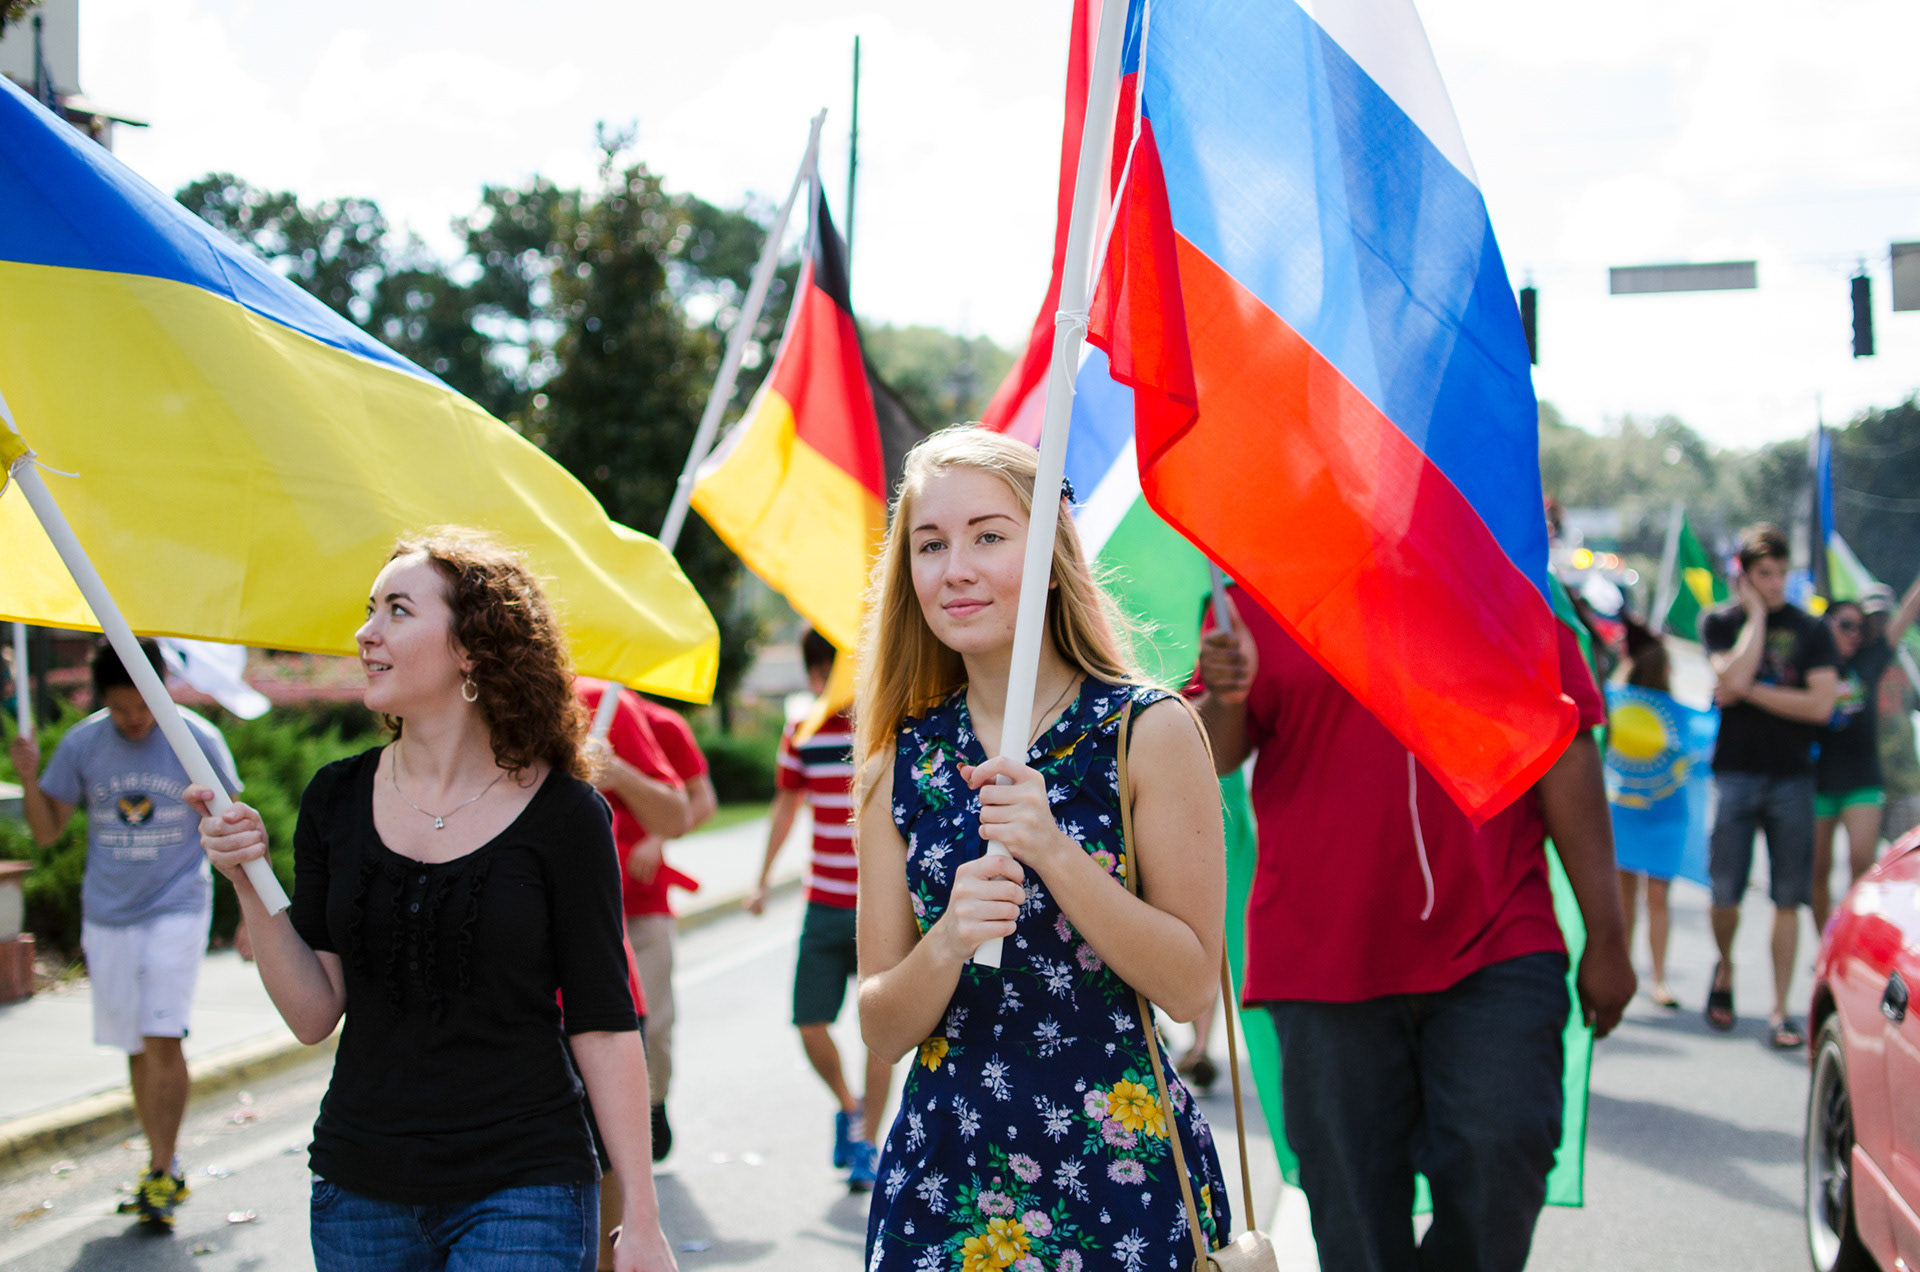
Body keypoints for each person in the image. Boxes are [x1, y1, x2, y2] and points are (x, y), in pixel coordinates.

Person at [191, 529, 676, 1272]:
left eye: (396, 611)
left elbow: (605, 1023)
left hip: (527, 1187)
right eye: (369, 610)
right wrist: (249, 884)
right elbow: (314, 1013)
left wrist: (640, 1215)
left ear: (471, 649)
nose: (365, 632)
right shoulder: (335, 798)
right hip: (360, 1192)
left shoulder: (566, 815)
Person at [856, 427, 1234, 1272]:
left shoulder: (1149, 731)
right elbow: (882, 1025)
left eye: (989, 536)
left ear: (1052, 552)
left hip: (1119, 1183)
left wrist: (1056, 855)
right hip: (944, 1184)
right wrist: (950, 937)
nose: (954, 567)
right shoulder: (899, 760)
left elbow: (1188, 984)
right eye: (930, 544)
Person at [1191, 580, 1633, 1272]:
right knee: (1354, 1212)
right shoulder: (1256, 579)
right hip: (1323, 956)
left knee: (1504, 1150)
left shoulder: (1503, 569)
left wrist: (1608, 937)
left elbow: (1566, 746)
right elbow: (1212, 752)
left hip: (1498, 938)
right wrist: (1225, 695)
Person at [10, 638, 242, 1231]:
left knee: (163, 1034)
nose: (134, 720)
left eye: (143, 707)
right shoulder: (85, 742)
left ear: (162, 689)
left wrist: (248, 912)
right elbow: (45, 834)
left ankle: (163, 1168)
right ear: (100, 701)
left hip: (177, 904)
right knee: (137, 1044)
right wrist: (29, 777)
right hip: (108, 914)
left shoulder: (196, 740)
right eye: (120, 711)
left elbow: (233, 826)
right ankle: (159, 1164)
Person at [745, 627, 890, 1191]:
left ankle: (866, 1143)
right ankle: (849, 1105)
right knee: (809, 1021)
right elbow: (786, 807)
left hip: (881, 907)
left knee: (880, 1031)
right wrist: (759, 880)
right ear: (814, 677)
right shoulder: (800, 730)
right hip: (824, 903)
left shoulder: (884, 725)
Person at [1701, 523, 1840, 1048]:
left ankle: (1782, 1008)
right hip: (1734, 773)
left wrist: (1747, 691)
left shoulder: (1812, 629)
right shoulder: (1720, 620)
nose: (1777, 583)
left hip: (1791, 778)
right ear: (1744, 574)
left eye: (1782, 573)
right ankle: (1724, 969)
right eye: (1765, 574)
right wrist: (1756, 618)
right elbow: (1726, 674)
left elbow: (1821, 705)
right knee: (1724, 892)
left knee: (1789, 897)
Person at [574, 677, 690, 1269]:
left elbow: (685, 808)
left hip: (613, 951)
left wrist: (616, 776)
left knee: (606, 1166)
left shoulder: (604, 703)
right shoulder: (457, 705)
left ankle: (650, 1111)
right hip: (501, 986)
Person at [613, 691, 715, 1163]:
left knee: (652, 1022)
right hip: (584, 904)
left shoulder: (664, 724)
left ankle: (654, 1105)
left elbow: (702, 800)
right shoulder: (570, 710)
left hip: (643, 901)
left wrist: (656, 838)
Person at [1812, 578, 1920, 928]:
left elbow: (1906, 611)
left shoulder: (1869, 661)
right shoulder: (1811, 664)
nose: (1854, 633)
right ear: (1826, 625)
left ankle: (1851, 933)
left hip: (1863, 778)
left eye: (1859, 628)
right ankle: (1823, 943)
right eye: (1845, 625)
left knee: (1862, 861)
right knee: (1818, 868)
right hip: (1819, 780)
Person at [1614, 621, 1681, 1009]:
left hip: (1637, 810)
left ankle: (1643, 974)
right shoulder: (1625, 704)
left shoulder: (1669, 712)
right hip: (1654, 812)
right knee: (1656, 898)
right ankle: (1655, 977)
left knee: (1632, 897)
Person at [1863, 582, 1920, 845]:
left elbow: (1909, 611)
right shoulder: (1855, 658)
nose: (1878, 623)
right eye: (1872, 617)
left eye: (1884, 616)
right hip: (1865, 780)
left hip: (1905, 779)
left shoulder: (1909, 657)